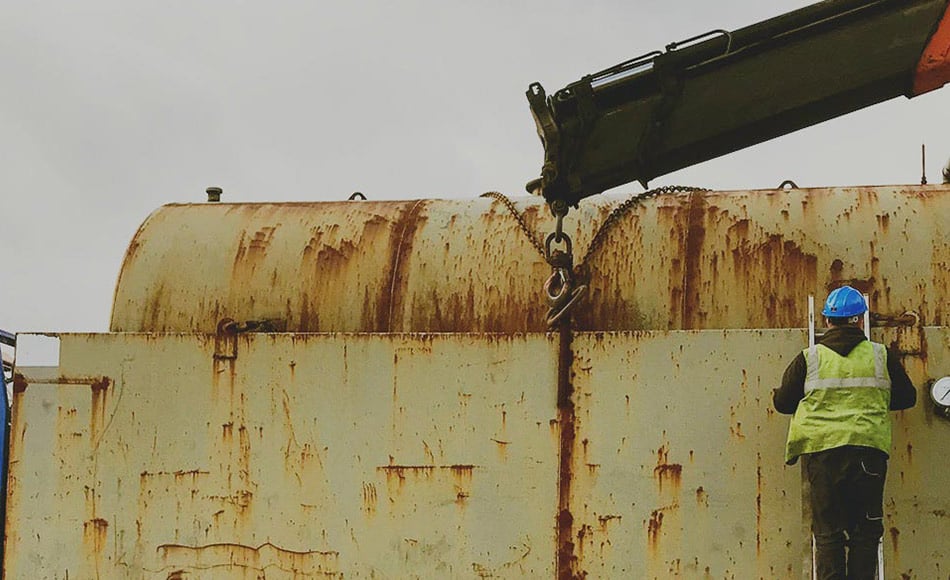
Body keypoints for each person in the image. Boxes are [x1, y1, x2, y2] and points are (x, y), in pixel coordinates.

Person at [773, 285, 916, 580]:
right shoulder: (881, 356)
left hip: (823, 455)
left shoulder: (809, 358)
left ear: (827, 321)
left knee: (828, 533)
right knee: (865, 533)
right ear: (861, 320)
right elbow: (907, 398)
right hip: (868, 453)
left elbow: (784, 403)